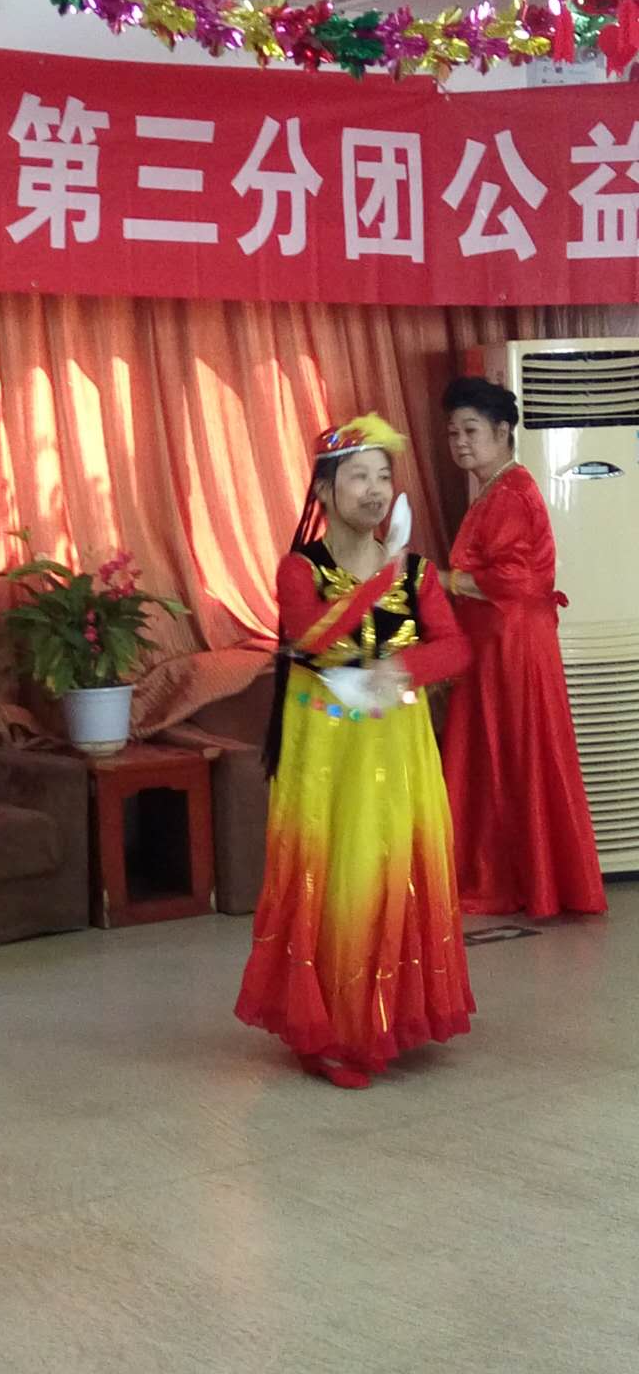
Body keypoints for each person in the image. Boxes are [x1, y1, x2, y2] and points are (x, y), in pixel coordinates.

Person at [235, 414, 475, 1089]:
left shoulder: (418, 572)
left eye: (383, 477)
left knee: (391, 866)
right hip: (325, 749)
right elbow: (310, 636)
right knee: (334, 874)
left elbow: (457, 647)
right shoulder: (300, 568)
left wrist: (404, 668)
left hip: (397, 744)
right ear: (324, 489)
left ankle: (386, 1017)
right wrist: (380, 577)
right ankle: (331, 1033)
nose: (375, 490)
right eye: (359, 477)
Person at [439, 376, 606, 919]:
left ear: (503, 430)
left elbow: (515, 579)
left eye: (470, 430)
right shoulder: (496, 488)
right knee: (505, 755)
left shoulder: (510, 491)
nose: (460, 442)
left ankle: (521, 881)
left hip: (512, 641)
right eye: (452, 433)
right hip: (501, 639)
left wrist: (440, 579)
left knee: (512, 754)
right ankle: (529, 878)